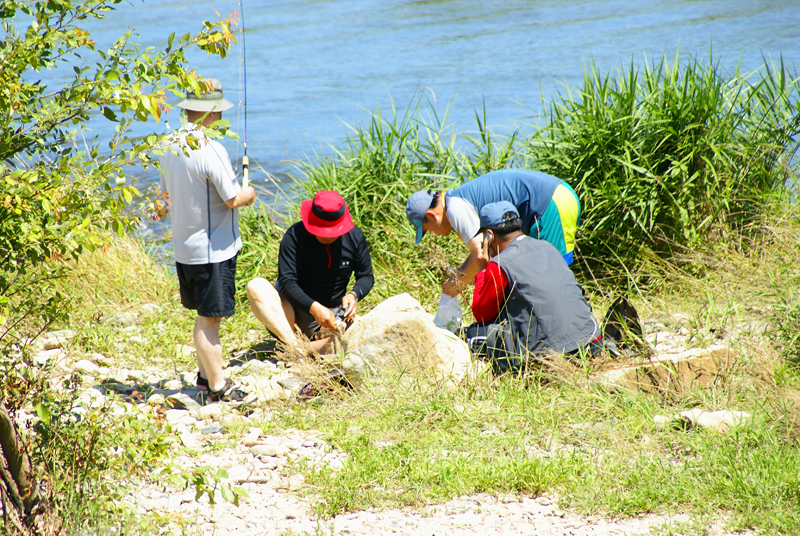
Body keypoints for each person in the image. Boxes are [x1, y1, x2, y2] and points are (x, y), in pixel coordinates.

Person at [158, 77, 256, 402]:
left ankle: (203, 378)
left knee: (204, 314)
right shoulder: (212, 149)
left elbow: (164, 197)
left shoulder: (168, 144)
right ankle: (218, 387)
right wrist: (249, 193)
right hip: (214, 251)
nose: (221, 118)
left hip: (184, 251)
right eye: (218, 112)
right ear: (210, 113)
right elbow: (232, 199)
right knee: (209, 319)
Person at [463, 201, 601, 374]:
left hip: (554, 355)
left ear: (489, 235)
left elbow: (482, 314)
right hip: (591, 340)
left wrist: (482, 270)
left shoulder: (499, 265)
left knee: (475, 333)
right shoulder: (547, 247)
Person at [405, 169, 581, 296]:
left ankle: (586, 334)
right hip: (561, 195)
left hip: (550, 205)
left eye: (427, 230)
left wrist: (457, 284)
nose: (433, 234)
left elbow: (480, 253)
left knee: (552, 279)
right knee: (548, 275)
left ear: (431, 216)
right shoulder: (456, 199)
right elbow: (487, 250)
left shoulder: (454, 208)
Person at [247, 190, 374, 353]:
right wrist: (314, 308)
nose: (328, 236)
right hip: (292, 315)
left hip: (334, 317)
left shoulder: (354, 236)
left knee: (372, 334)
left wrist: (354, 295)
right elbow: (287, 283)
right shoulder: (294, 236)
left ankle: (313, 348)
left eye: (332, 231)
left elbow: (366, 276)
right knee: (256, 286)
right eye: (322, 230)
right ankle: (295, 348)